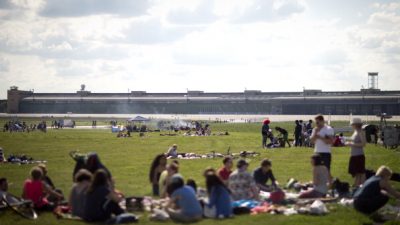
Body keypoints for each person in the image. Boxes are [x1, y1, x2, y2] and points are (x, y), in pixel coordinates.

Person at [345, 118, 367, 187]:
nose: (351, 125)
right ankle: (357, 185)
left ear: (356, 125)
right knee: (357, 173)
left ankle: (361, 186)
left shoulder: (360, 132)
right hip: (354, 155)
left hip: (359, 155)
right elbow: (354, 141)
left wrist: (351, 144)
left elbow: (363, 144)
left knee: (360, 172)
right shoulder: (355, 132)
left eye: (352, 124)